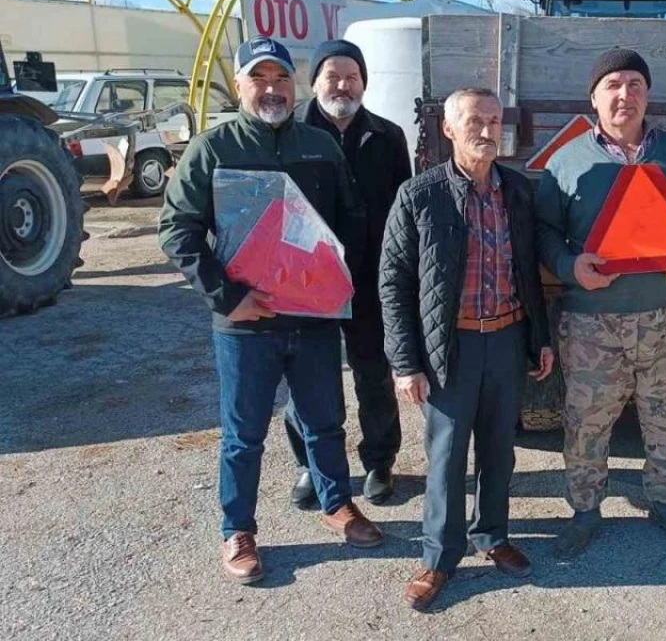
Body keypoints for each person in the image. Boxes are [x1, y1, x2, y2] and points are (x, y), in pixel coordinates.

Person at [158, 36, 384, 585]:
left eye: (281, 78)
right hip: (245, 324)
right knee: (244, 434)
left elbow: (350, 219)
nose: (272, 89)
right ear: (239, 86)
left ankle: (336, 503)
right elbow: (177, 230)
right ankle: (238, 529)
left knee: (325, 421)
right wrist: (227, 297)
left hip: (312, 319)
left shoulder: (320, 146)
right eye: (259, 78)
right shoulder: (213, 149)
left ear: (294, 85)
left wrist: (339, 285)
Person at [535, 48, 666, 558]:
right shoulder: (567, 161)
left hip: (665, 315)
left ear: (648, 95)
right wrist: (569, 265)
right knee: (587, 422)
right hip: (591, 323)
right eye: (613, 85)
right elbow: (543, 231)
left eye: (635, 84)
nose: (625, 94)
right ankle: (584, 510)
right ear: (593, 98)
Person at [381, 87, 554, 612]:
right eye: (474, 120)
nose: (486, 130)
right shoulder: (420, 194)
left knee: (500, 448)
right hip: (448, 346)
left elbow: (529, 271)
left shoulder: (517, 190)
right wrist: (405, 363)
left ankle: (492, 535)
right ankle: (439, 556)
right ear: (449, 129)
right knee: (447, 454)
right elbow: (393, 282)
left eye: (494, 120)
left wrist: (540, 338)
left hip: (506, 337)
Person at [285, 39, 412, 508]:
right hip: (307, 281)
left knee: (373, 374)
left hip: (370, 278)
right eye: (333, 76)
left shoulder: (387, 136)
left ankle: (380, 461)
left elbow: (402, 210)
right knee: (309, 378)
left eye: (352, 77)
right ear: (315, 81)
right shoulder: (290, 133)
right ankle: (312, 463)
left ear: (364, 83)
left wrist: (400, 272)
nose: (343, 85)